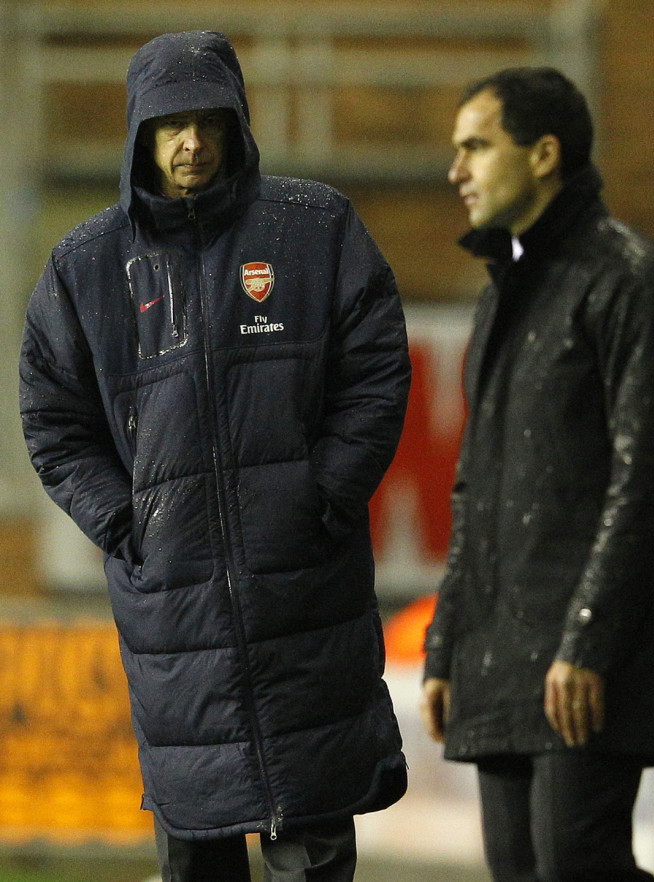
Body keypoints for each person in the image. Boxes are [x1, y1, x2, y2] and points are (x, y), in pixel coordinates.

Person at [20, 30, 410, 882]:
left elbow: (377, 373)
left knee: (311, 852)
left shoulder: (315, 230)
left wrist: (325, 496)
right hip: (174, 624)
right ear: (139, 137)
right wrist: (127, 525)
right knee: (195, 859)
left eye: (207, 121)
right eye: (169, 126)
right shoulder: (86, 268)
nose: (190, 143)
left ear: (237, 125)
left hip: (305, 603)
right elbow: (52, 420)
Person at [420, 67, 654, 882]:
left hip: (586, 661)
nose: (457, 172)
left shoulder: (639, 285)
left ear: (544, 154)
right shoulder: (501, 297)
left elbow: (647, 484)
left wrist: (588, 639)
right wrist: (447, 643)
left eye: (477, 146)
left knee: (576, 866)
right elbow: (474, 489)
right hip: (497, 652)